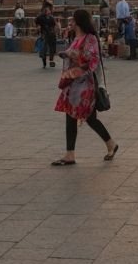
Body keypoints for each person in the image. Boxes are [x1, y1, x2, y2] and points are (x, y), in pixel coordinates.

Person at [51, 9, 118, 166]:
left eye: (73, 20)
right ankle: (71, 154)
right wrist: (66, 54)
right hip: (73, 84)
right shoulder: (76, 37)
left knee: (89, 118)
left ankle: (110, 144)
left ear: (79, 22)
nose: (71, 23)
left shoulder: (91, 38)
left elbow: (91, 60)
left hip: (85, 85)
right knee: (73, 116)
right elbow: (72, 53)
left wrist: (72, 54)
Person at [36, 4, 58, 69]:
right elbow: (37, 23)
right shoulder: (41, 17)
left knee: (52, 48)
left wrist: (55, 32)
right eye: (48, 10)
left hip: (51, 34)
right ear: (45, 11)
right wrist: (38, 27)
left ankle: (51, 60)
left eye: (49, 10)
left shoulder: (51, 18)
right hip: (44, 34)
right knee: (44, 49)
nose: (49, 11)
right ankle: (44, 63)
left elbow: (54, 26)